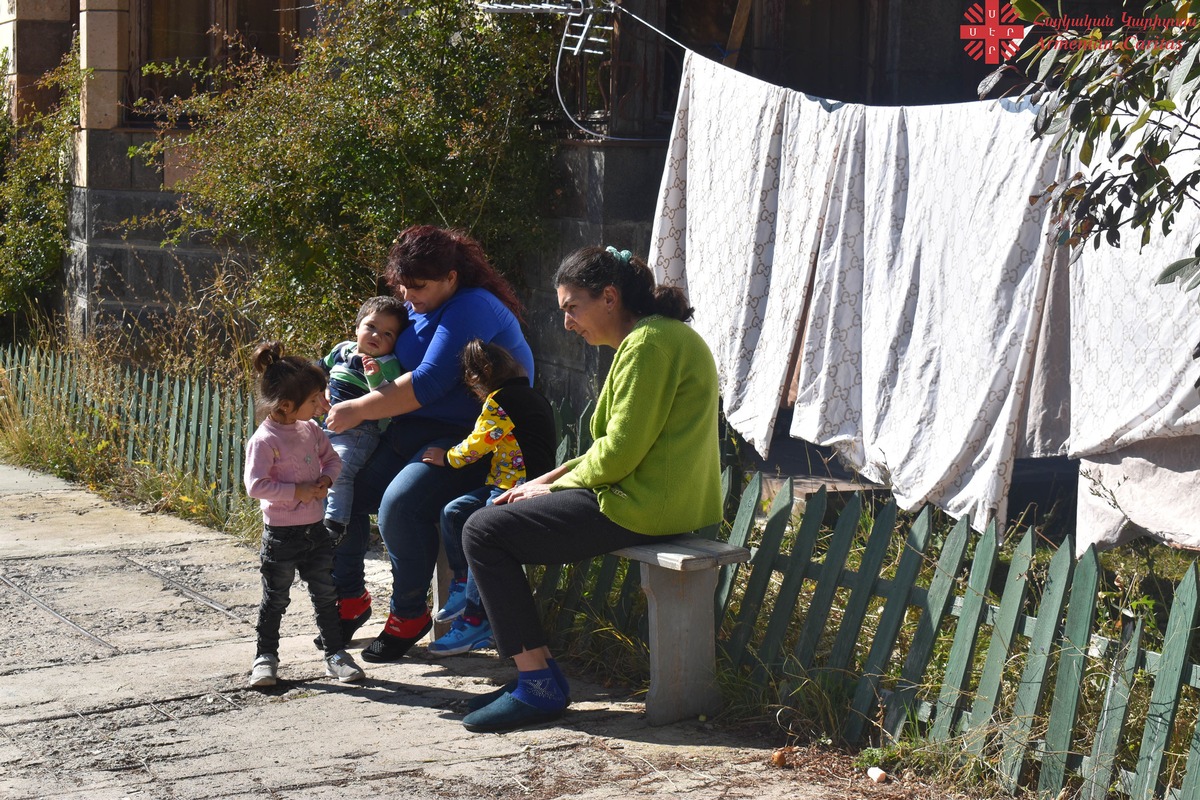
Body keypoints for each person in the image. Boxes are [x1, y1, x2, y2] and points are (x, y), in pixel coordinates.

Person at [457, 245, 722, 733]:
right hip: (650, 499)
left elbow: (619, 453)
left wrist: (550, 491)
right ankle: (532, 676)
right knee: (488, 518)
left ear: (609, 297)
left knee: (483, 531)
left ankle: (537, 684)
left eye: (571, 307)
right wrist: (546, 480)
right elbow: (612, 444)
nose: (567, 323)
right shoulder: (652, 339)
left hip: (645, 507)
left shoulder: (648, 345)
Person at [323, 225, 534, 664]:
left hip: (470, 439)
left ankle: (407, 614)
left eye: (417, 285)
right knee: (340, 492)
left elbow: (431, 381)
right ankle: (351, 597)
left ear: (452, 277)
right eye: (402, 284)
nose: (407, 293)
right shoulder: (417, 307)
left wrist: (360, 408)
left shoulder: (470, 305)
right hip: (410, 431)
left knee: (398, 506)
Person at [419, 338, 556, 657]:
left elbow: (478, 443)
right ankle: (461, 583)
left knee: (475, 532)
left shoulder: (500, 401)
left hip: (516, 487)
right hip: (517, 481)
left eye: (473, 387)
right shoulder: (532, 396)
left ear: (478, 378)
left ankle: (475, 619)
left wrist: (448, 457)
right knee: (454, 512)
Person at [243, 341, 366, 688]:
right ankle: (265, 657)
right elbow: (256, 485)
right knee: (275, 599)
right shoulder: (265, 440)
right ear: (286, 405)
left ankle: (335, 654)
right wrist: (296, 492)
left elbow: (332, 459)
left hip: (315, 531)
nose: (322, 405)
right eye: (314, 400)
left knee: (327, 596)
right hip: (281, 536)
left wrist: (327, 478)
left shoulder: (310, 430)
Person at [320, 295, 409, 544]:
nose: (377, 336)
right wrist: (320, 387)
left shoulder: (387, 364)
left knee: (339, 470)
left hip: (361, 431)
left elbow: (386, 399)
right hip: (328, 425)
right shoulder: (342, 349)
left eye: (388, 334)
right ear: (357, 327)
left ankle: (335, 524)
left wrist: (375, 379)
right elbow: (320, 368)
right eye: (371, 327)